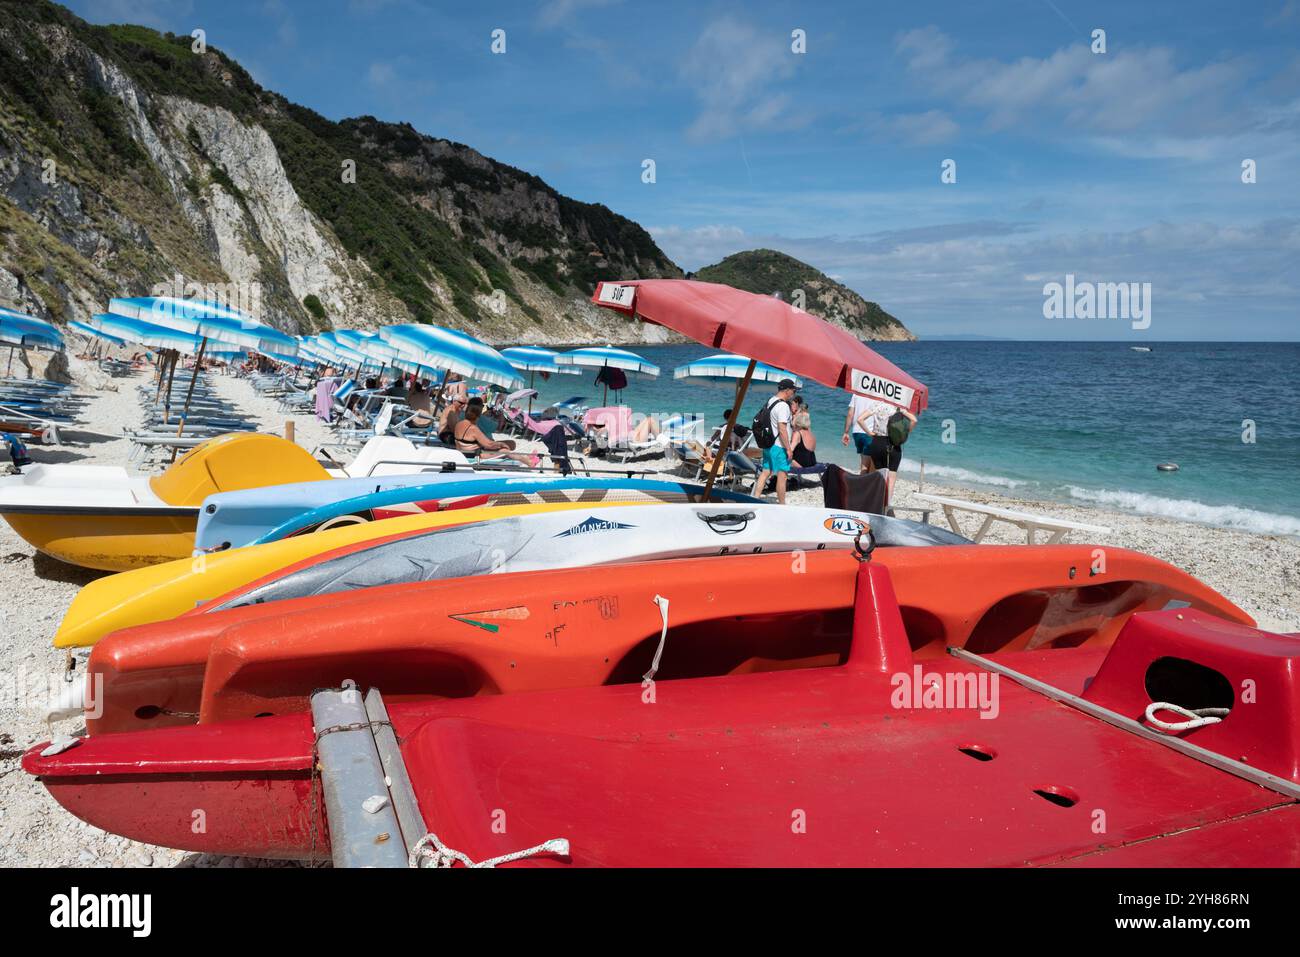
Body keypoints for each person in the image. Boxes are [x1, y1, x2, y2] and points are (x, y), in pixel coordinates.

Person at [453, 397, 541, 467]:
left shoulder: (459, 424)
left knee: (503, 449)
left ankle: (527, 458)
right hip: (475, 456)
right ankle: (529, 462)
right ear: (478, 415)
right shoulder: (473, 428)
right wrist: (501, 445)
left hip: (464, 453)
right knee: (504, 450)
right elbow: (489, 444)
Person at [752, 378, 797, 505]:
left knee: (766, 471)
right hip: (779, 445)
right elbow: (782, 429)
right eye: (793, 391)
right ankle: (782, 505)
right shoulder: (783, 406)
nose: (794, 393)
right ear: (787, 390)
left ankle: (755, 498)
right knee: (782, 476)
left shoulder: (770, 401)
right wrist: (788, 449)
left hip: (769, 443)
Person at [842, 393, 882, 472]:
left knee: (865, 464)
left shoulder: (856, 393)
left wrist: (846, 432)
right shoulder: (878, 394)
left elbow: (850, 414)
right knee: (869, 467)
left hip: (857, 432)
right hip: (869, 432)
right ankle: (865, 484)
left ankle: (863, 483)